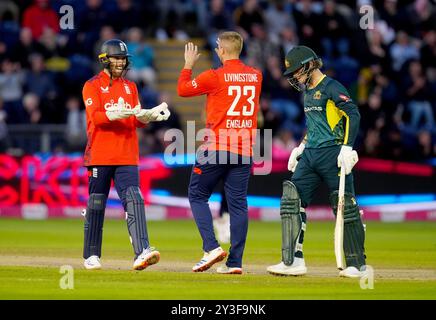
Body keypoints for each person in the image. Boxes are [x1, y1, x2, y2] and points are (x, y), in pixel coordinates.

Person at [267, 46, 367, 278]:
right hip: (310, 154)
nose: (295, 77)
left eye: (297, 72)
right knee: (291, 201)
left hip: (333, 153)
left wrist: (347, 147)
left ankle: (357, 264)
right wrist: (300, 147)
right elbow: (314, 126)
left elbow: (353, 114)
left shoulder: (332, 87)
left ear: (309, 65)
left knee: (345, 206)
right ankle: (292, 261)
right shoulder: (308, 92)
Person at [81, 39, 170, 270]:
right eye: (116, 58)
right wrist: (113, 114)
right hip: (100, 154)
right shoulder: (91, 85)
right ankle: (91, 255)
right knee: (96, 204)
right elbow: (96, 117)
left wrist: (147, 117)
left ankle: (142, 250)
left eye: (122, 58)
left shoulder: (130, 87)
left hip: (127, 155)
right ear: (104, 59)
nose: (120, 62)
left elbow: (135, 118)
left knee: (134, 199)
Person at [178, 32, 262, 274]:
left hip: (216, 147)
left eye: (217, 47)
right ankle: (235, 263)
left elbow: (183, 89)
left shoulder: (214, 77)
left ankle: (211, 248)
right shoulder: (256, 76)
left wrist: (188, 65)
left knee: (197, 194)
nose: (216, 50)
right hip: (244, 150)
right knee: (238, 205)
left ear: (222, 51)